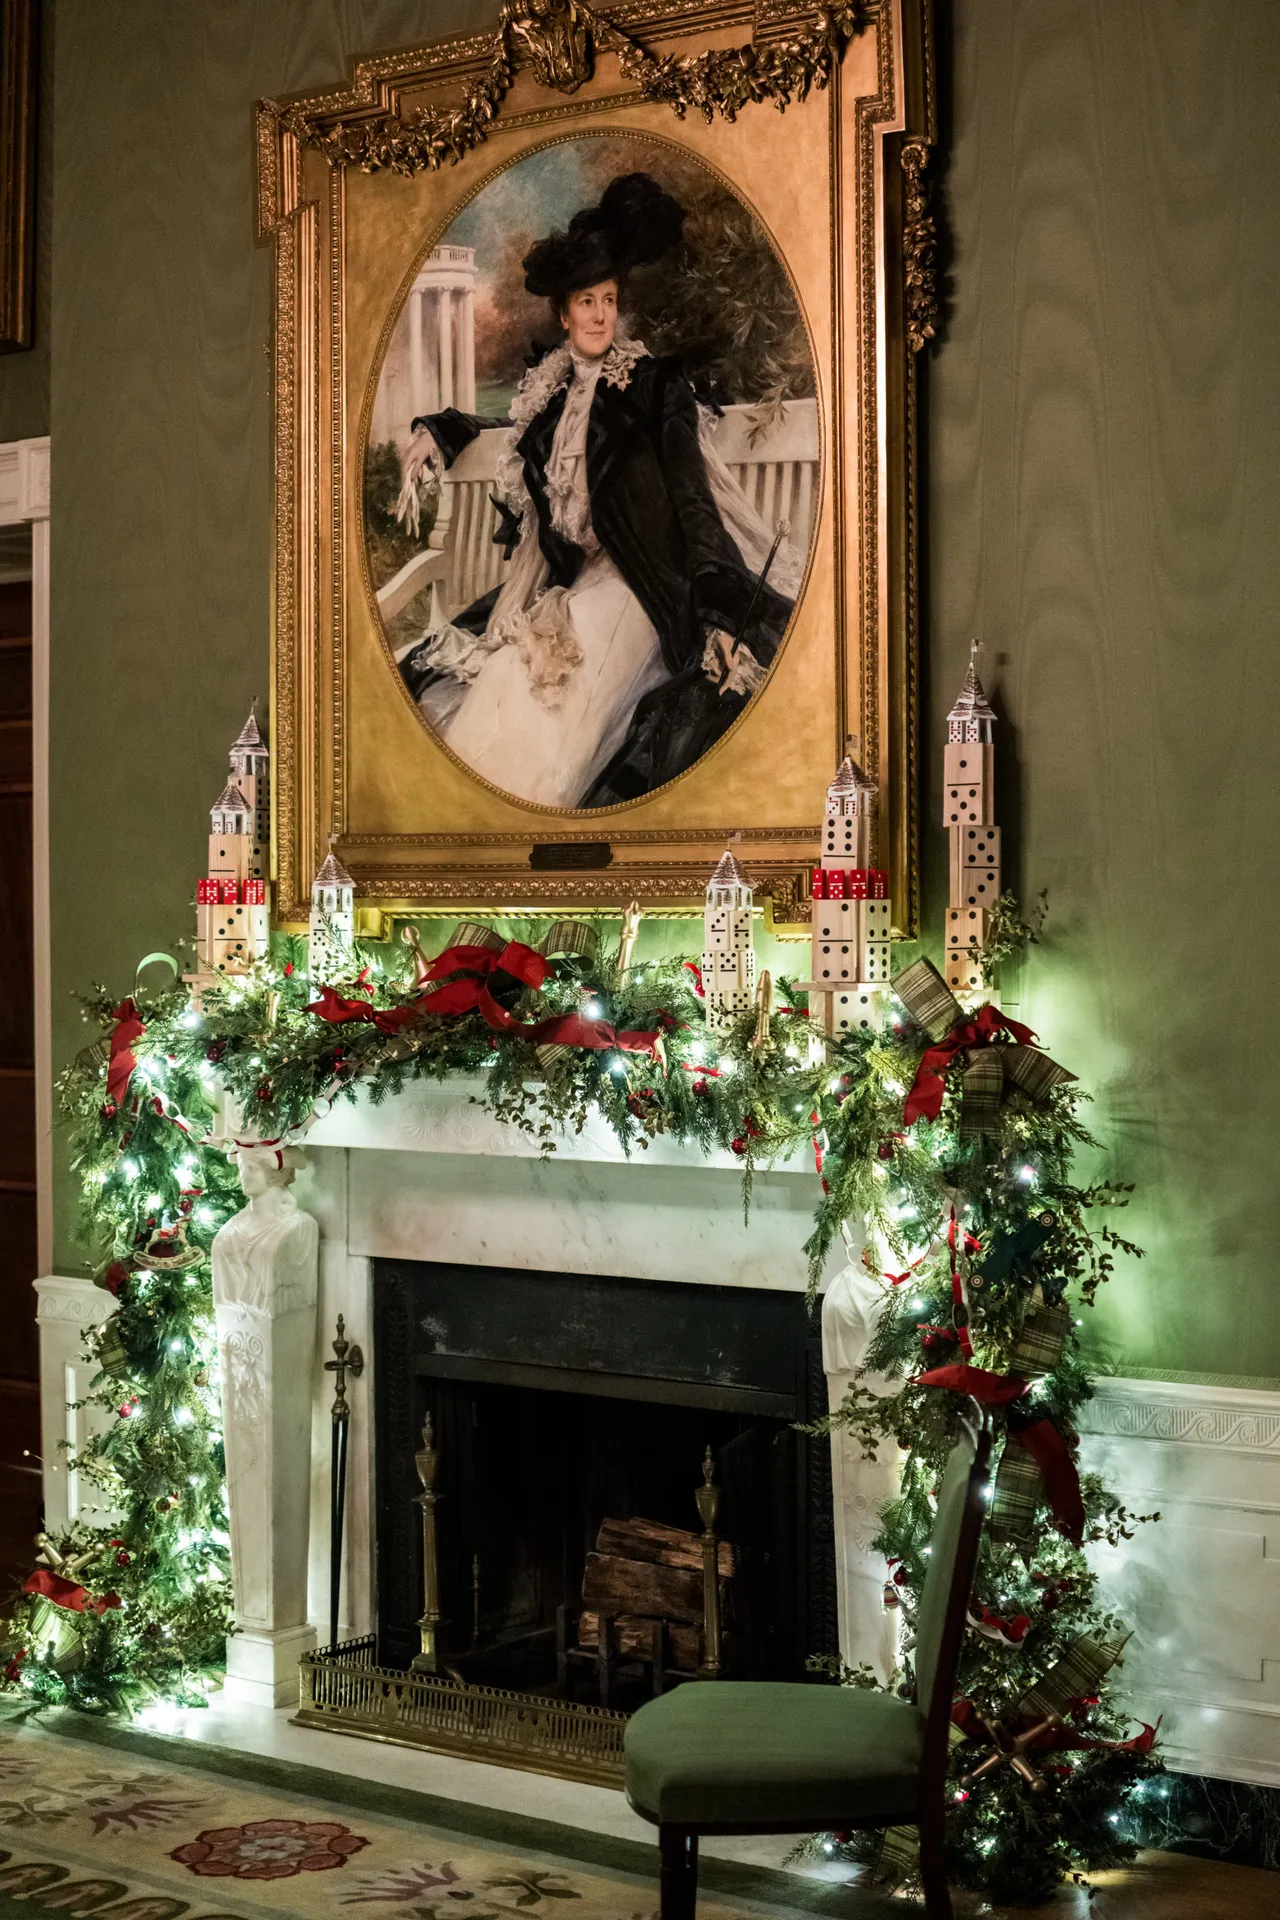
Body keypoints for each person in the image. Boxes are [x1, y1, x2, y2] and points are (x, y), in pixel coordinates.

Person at [396, 171, 801, 809]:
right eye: (587, 302)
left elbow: (694, 504)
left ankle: (540, 812)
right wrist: (440, 432)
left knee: (568, 677)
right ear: (564, 313)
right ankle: (483, 824)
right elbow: (512, 431)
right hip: (580, 580)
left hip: (648, 586)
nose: (600, 315)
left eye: (609, 300)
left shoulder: (650, 384)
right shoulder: (549, 392)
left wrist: (722, 613)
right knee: (506, 668)